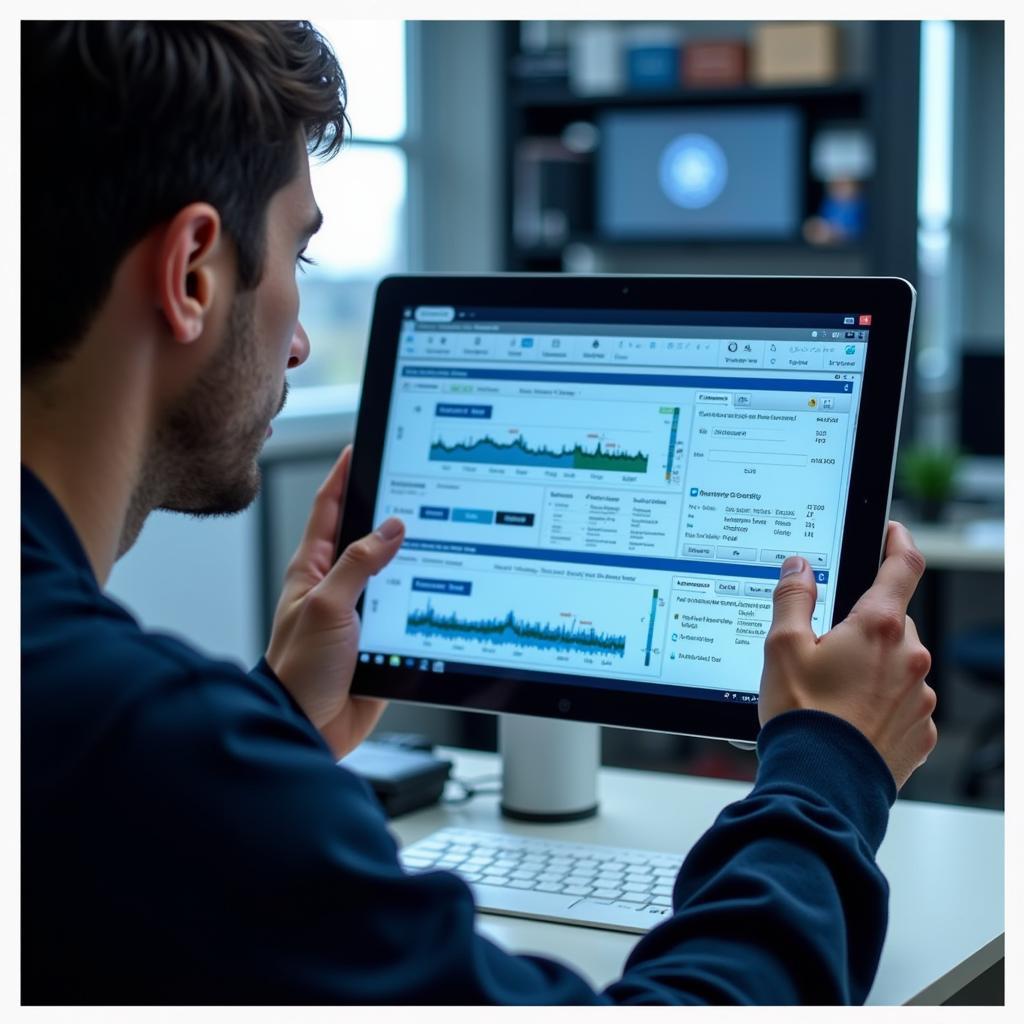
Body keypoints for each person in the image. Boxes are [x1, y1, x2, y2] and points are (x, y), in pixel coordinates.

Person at [21, 21, 937, 1005]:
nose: (297, 342)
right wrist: (829, 767)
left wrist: (276, 720)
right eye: (299, 253)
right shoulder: (135, 745)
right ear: (195, 271)